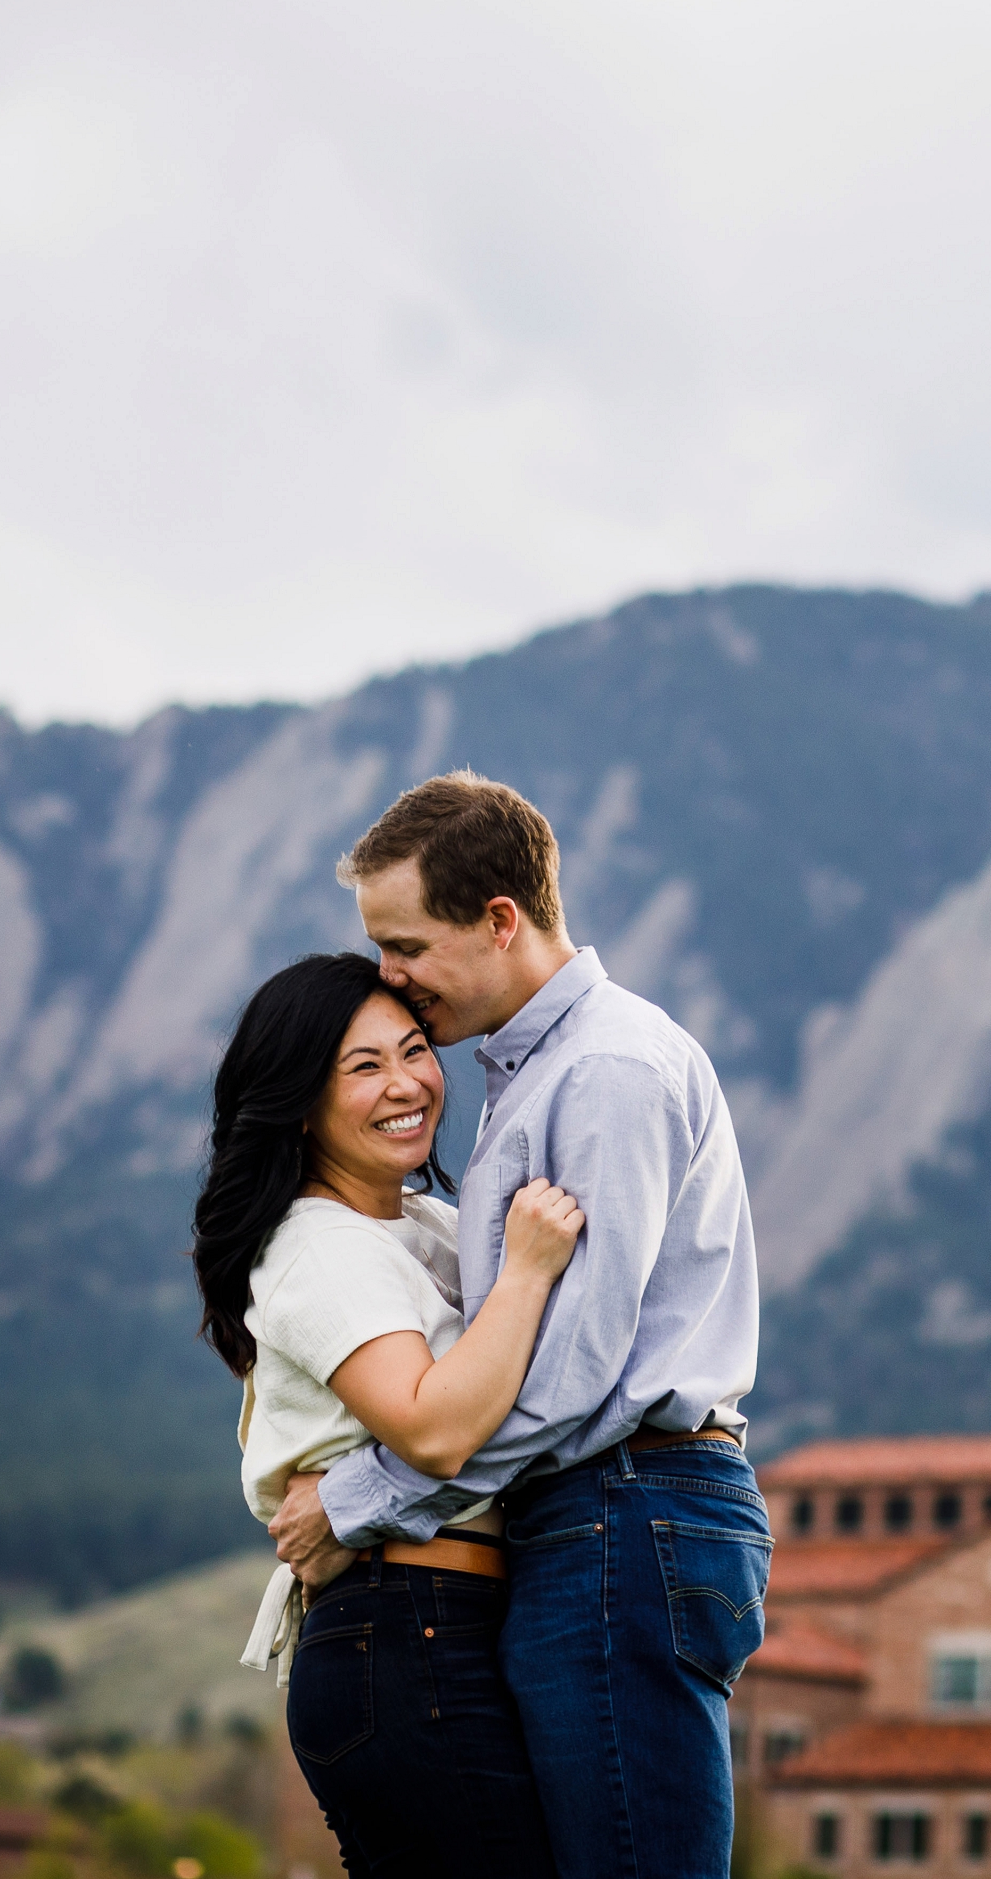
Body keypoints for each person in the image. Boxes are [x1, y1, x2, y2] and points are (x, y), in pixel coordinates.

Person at [269, 771, 764, 1879]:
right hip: (602, 1519)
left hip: (622, 1511)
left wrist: (354, 1502)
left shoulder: (604, 1071)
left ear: (500, 919)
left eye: (406, 945)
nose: (389, 976)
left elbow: (571, 1376)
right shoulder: (539, 1071)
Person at [192, 950, 587, 1876]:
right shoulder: (316, 1244)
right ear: (297, 1099)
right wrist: (528, 1271)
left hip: (441, 1622)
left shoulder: (420, 1225)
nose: (407, 1082)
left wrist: (351, 1502)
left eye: (414, 1050)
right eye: (363, 1066)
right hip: (406, 1630)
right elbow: (436, 1427)